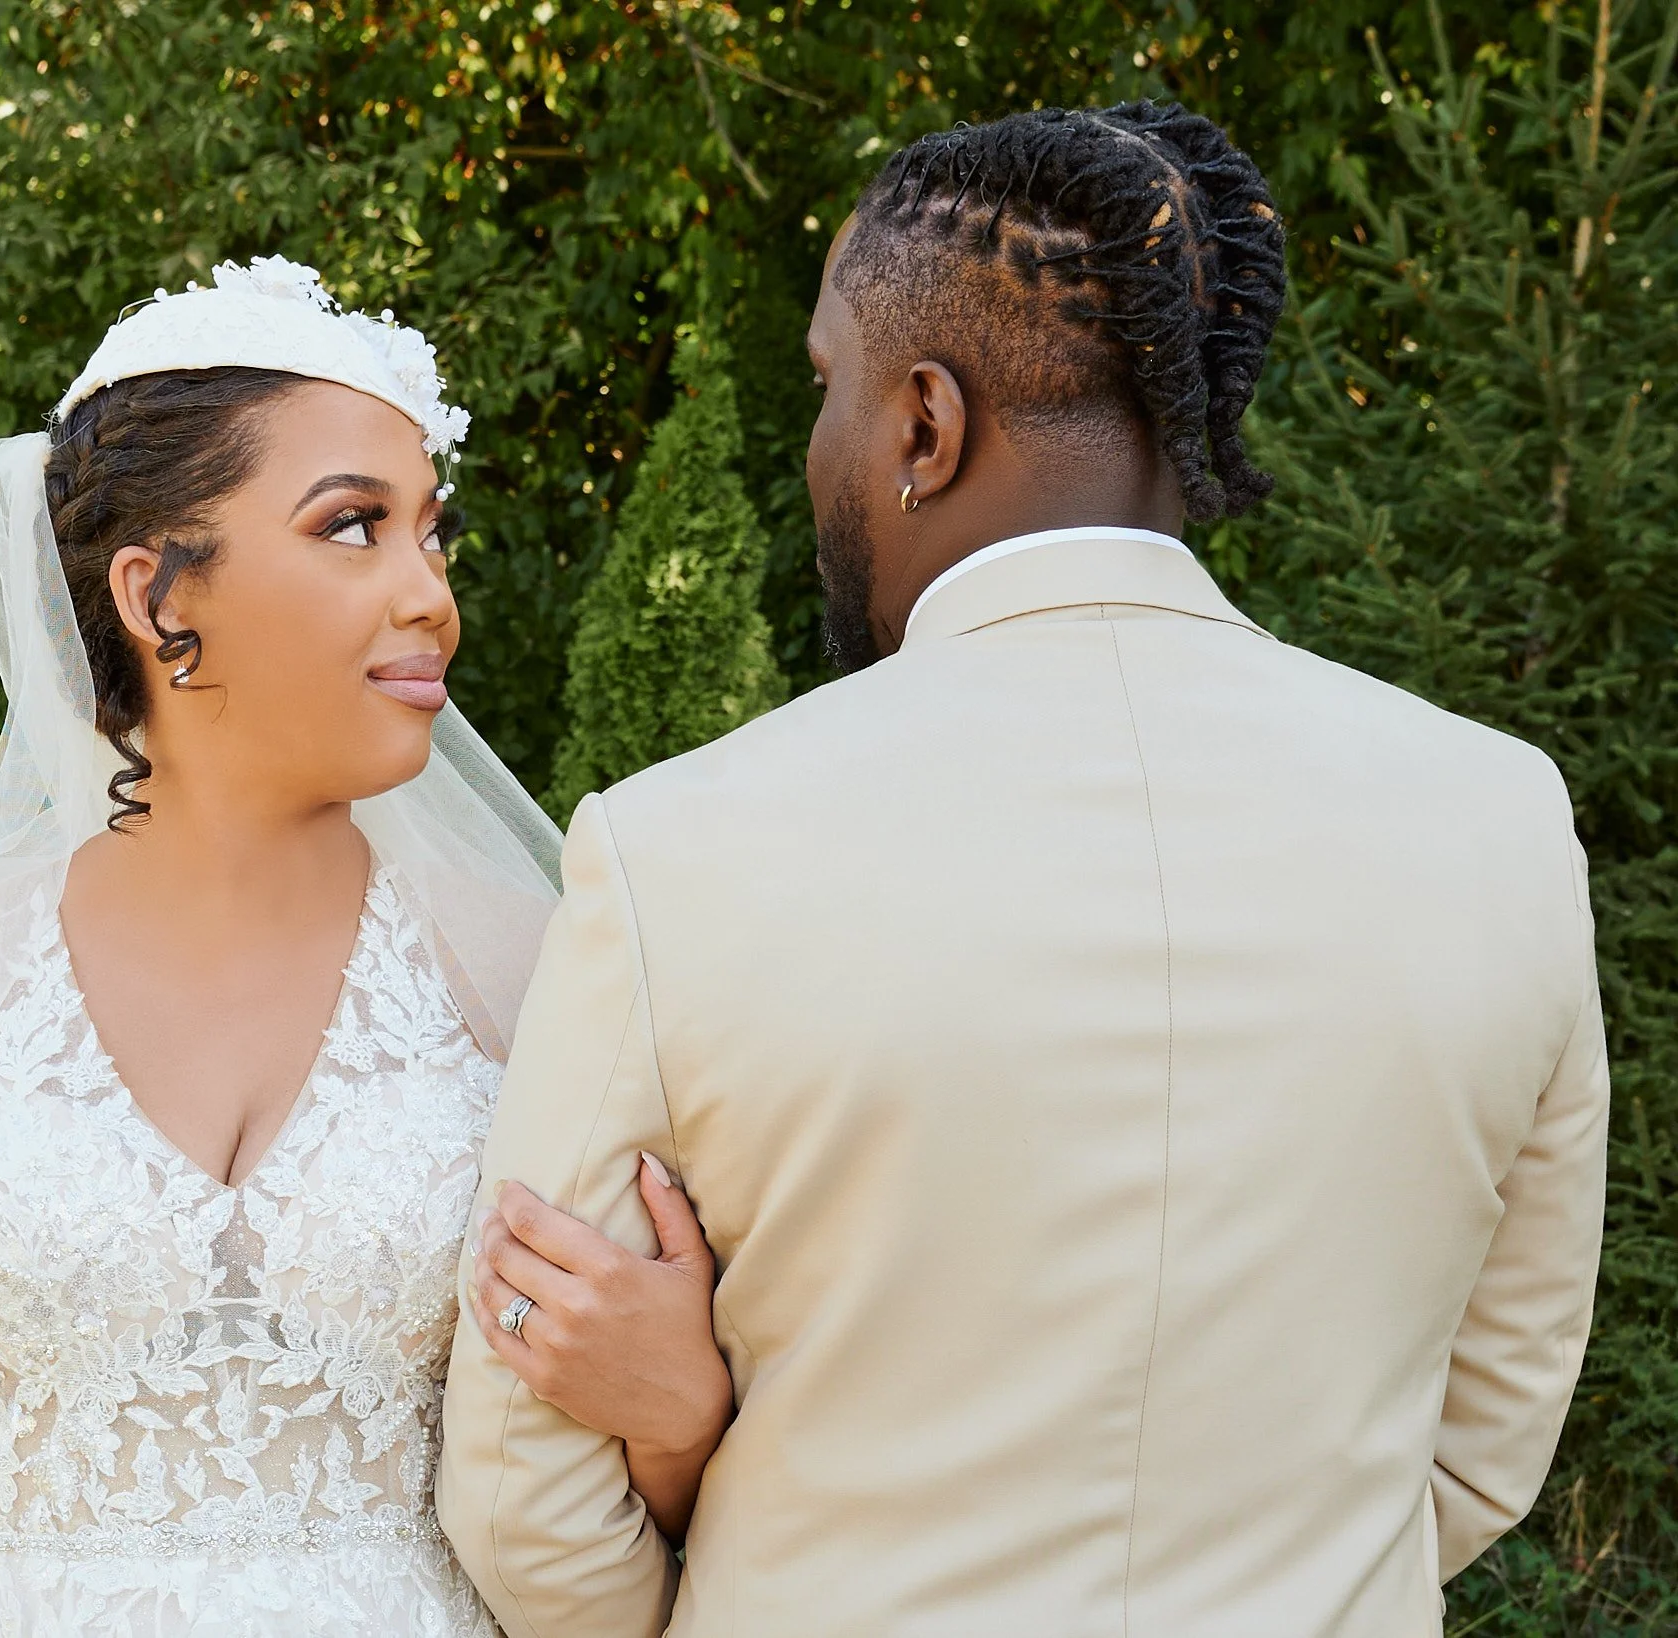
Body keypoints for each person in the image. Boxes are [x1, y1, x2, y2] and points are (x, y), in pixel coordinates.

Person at [440, 102, 1608, 1637]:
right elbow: (1480, 1439)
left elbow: (525, 1486)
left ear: (924, 423)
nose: (818, 447)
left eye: (825, 388)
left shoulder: (679, 845)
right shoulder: (1500, 817)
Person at [0, 258, 731, 1637]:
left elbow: (643, 1514)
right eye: (352, 528)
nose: (429, 593)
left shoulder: (531, 971)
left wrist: (682, 1414)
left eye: (429, 534)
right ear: (157, 598)